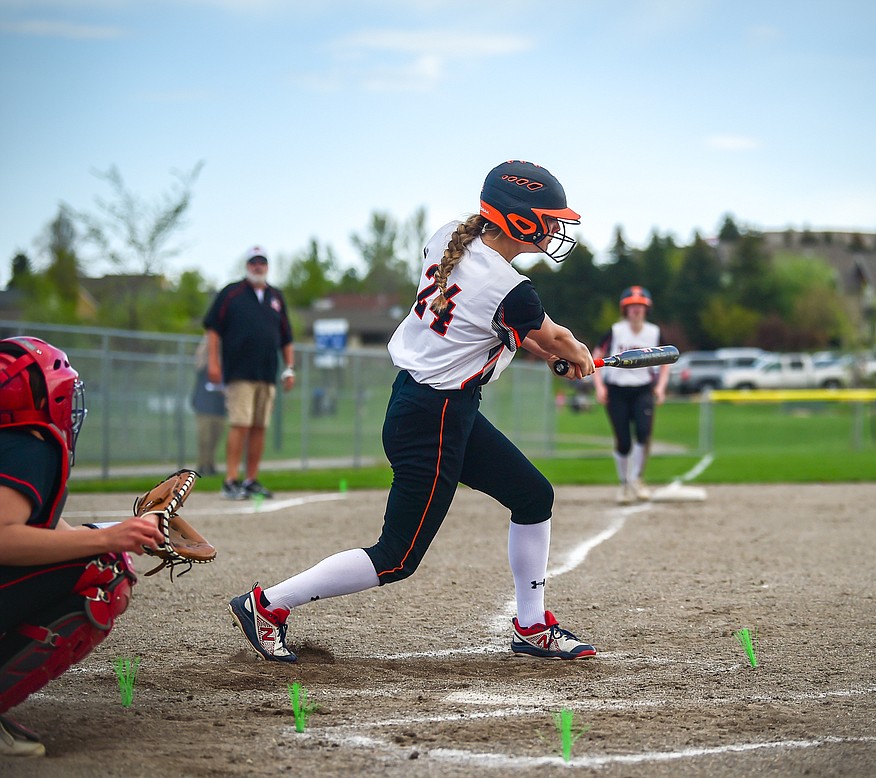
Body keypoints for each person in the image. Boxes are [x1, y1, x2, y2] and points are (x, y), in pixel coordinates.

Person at [229, 160, 599, 663]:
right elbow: (548, 334)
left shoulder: (451, 237)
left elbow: (519, 332)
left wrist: (555, 353)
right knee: (396, 557)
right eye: (548, 217)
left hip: (435, 406)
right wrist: (574, 353)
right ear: (518, 220)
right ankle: (267, 604)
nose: (556, 227)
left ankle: (531, 625)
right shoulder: (513, 290)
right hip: (433, 420)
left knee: (533, 496)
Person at [0, 336, 165, 758]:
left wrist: (130, 531)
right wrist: (112, 539)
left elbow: (56, 532)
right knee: (105, 571)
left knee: (93, 549)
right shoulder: (27, 448)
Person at [203, 246, 296, 501]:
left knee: (259, 427)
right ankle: (230, 480)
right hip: (240, 373)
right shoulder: (232, 293)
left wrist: (289, 368)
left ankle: (251, 479)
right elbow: (213, 329)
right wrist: (213, 362)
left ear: (267, 265)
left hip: (267, 373)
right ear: (247, 265)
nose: (258, 266)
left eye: (262, 262)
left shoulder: (275, 297)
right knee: (240, 424)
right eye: (254, 262)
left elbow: (286, 337)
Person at [594, 286, 670, 504]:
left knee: (644, 433)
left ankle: (637, 479)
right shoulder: (616, 331)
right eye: (632, 307)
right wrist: (599, 386)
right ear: (625, 309)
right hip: (617, 390)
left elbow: (666, 362)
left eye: (640, 306)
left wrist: (661, 387)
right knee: (623, 441)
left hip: (643, 389)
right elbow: (597, 357)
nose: (636, 310)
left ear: (647, 309)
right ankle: (624, 483)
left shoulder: (654, 332)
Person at [191, 333, 227, 476]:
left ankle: (210, 464)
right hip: (204, 404)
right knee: (204, 437)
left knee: (215, 436)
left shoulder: (224, 363)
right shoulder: (204, 363)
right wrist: (211, 338)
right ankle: (202, 465)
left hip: (219, 405)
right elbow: (200, 357)